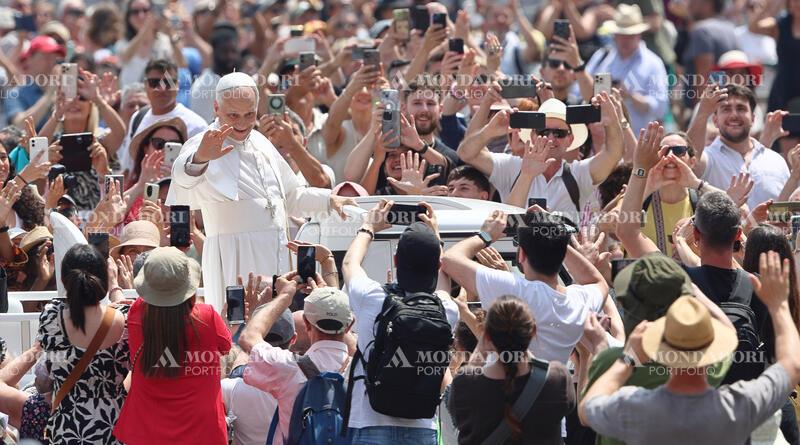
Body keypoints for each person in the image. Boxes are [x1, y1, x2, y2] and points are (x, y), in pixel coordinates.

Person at [166, 72, 354, 311]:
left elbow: (291, 197)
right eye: (233, 115)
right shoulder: (205, 142)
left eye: (249, 114)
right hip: (235, 259)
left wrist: (329, 199)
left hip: (275, 256)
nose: (242, 123)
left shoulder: (261, 142)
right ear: (216, 107)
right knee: (239, 329)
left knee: (277, 332)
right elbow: (181, 181)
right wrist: (202, 157)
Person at [579, 251, 800, 445]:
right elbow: (792, 366)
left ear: (656, 343)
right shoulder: (738, 406)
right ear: (714, 349)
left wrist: (627, 359)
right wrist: (779, 306)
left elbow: (587, 409)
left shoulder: (635, 408)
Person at [342, 201, 459, 445]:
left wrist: (368, 227)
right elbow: (444, 283)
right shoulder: (447, 309)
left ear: (396, 261)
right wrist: (435, 237)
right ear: (437, 264)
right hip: (422, 428)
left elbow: (349, 264)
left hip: (370, 422)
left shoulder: (373, 298)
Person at [441, 210, 609, 364]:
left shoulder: (511, 288)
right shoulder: (578, 301)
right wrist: (556, 237)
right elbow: (597, 281)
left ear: (521, 254)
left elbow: (449, 259)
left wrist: (485, 235)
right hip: (553, 390)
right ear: (562, 255)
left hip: (501, 393)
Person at [113, 247, 232, 444]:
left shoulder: (136, 312)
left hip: (146, 428)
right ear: (189, 287)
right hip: (202, 429)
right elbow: (225, 347)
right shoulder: (207, 316)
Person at [458, 94, 622, 224]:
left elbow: (613, 154)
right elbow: (466, 153)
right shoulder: (510, 167)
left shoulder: (579, 173)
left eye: (559, 134)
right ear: (532, 136)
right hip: (515, 261)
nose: (551, 138)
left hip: (564, 262)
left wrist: (612, 122)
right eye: (543, 132)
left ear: (570, 140)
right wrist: (489, 131)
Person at [449, 296, 576, 444]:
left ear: (487, 336)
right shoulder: (558, 378)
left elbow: (456, 413)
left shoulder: (465, 383)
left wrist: (481, 350)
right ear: (533, 331)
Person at [240, 280, 354, 444]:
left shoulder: (287, 366)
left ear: (306, 323)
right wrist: (333, 307)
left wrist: (285, 296)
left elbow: (248, 337)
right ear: (349, 326)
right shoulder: (364, 370)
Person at [38, 244, 129, 443]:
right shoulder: (125, 320)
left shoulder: (50, 316)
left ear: (65, 280)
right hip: (114, 426)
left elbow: (52, 364)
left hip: (66, 426)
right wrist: (115, 286)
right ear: (103, 279)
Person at [691, 84, 789, 209]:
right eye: (726, 109)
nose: (734, 115)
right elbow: (689, 158)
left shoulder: (776, 160)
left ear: (753, 118)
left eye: (741, 108)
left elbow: (788, 209)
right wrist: (703, 114)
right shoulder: (708, 159)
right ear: (715, 120)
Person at [586, 4, 669, 134]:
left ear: (639, 35)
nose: (625, 39)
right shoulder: (601, 57)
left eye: (630, 35)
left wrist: (630, 96)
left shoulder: (653, 63)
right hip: (602, 141)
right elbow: (579, 92)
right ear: (614, 34)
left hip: (637, 141)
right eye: (621, 34)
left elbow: (661, 108)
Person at [118, 59, 208, 178]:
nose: (161, 88)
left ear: (177, 85)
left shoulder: (196, 125)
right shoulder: (138, 117)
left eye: (168, 82)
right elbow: (129, 168)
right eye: (154, 82)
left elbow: (202, 175)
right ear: (145, 85)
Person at [682, 0, 740, 101]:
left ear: (708, 3)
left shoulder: (702, 31)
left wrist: (701, 111)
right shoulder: (730, 28)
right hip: (728, 103)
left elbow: (704, 77)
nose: (689, 4)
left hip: (711, 106)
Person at [748, 0, 800, 111]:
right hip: (783, 87)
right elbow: (754, 27)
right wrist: (769, 4)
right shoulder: (781, 23)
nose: (797, 4)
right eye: (794, 1)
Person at [4, 36, 65, 129]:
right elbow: (19, 126)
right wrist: (48, 96)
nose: (51, 62)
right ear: (29, 59)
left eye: (54, 58)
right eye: (46, 57)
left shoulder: (63, 90)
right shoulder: (16, 93)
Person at [189, 23, 242, 123]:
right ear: (214, 52)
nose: (230, 57)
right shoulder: (205, 84)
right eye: (224, 52)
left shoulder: (235, 79)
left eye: (233, 51)